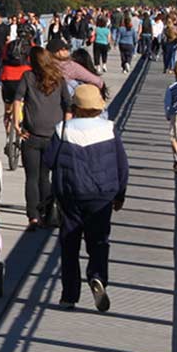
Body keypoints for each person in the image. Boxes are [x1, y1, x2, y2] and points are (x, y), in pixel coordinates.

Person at [44, 84, 128, 312]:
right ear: (98, 108)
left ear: (76, 107)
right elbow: (122, 166)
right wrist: (120, 194)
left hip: (70, 194)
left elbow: (49, 160)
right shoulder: (109, 129)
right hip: (102, 195)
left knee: (69, 244)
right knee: (99, 240)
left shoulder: (63, 129)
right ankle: (98, 276)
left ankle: (69, 295)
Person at [14, 47, 72, 231]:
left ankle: (33, 217)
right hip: (52, 134)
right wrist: (65, 127)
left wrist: (17, 123)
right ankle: (47, 213)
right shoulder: (59, 79)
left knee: (31, 177)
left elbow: (17, 100)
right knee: (44, 176)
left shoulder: (28, 77)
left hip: (31, 133)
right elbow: (68, 105)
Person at [0, 24, 36, 142]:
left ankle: (7, 138)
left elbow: (3, 59)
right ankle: (23, 128)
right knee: (27, 104)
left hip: (7, 78)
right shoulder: (33, 47)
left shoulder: (8, 45)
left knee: (8, 109)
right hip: (23, 78)